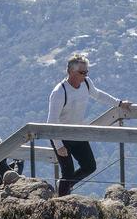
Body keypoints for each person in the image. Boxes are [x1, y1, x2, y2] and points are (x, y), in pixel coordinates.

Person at [47, 53, 131, 196]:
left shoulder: (86, 83)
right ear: (70, 72)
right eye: (82, 72)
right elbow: (51, 121)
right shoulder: (59, 92)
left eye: (87, 72)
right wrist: (59, 145)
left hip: (78, 132)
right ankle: (60, 203)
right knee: (67, 172)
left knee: (89, 166)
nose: (85, 75)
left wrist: (119, 103)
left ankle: (64, 185)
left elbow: (98, 95)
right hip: (61, 135)